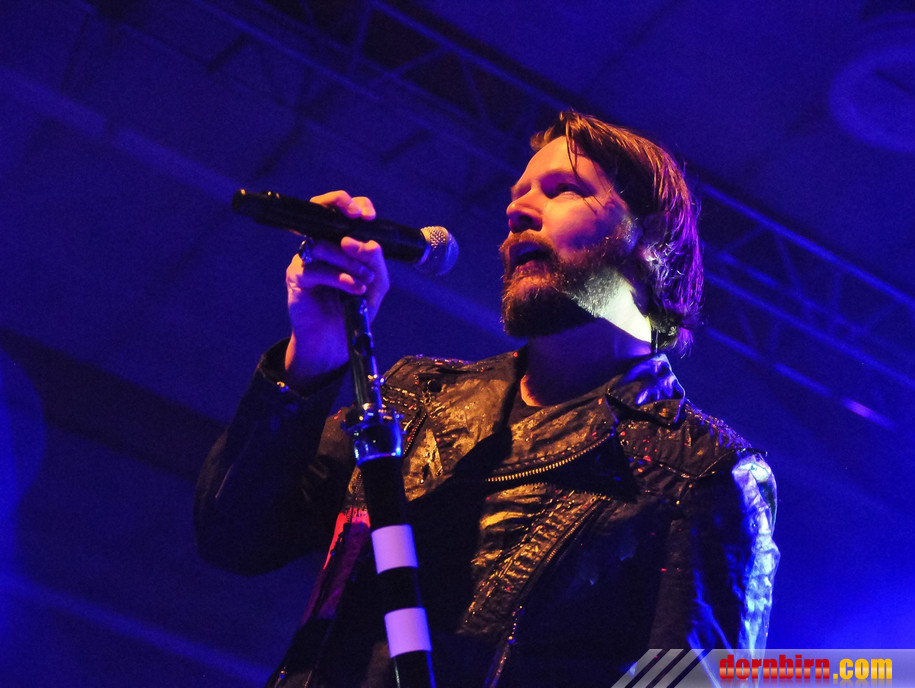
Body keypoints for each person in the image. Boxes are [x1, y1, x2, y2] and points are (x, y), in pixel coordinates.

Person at [195, 111, 779, 687]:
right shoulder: (415, 398)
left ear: (650, 242)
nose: (518, 210)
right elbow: (234, 536)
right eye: (517, 195)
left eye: (563, 189)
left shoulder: (700, 473)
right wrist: (315, 353)